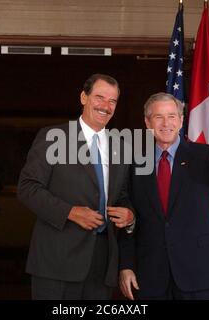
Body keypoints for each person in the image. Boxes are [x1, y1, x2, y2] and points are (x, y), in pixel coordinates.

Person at [17, 74, 135, 300]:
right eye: (99, 97)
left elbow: (121, 195)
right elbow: (27, 187)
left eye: (113, 101)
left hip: (102, 264)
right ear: (84, 97)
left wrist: (129, 215)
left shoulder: (122, 146)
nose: (106, 106)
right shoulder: (54, 137)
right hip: (56, 261)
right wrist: (69, 212)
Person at [119, 93, 209, 300]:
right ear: (147, 122)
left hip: (197, 270)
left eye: (171, 116)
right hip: (150, 273)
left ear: (181, 120)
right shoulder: (134, 163)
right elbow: (128, 218)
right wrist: (126, 265)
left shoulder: (205, 155)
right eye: (158, 117)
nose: (166, 123)